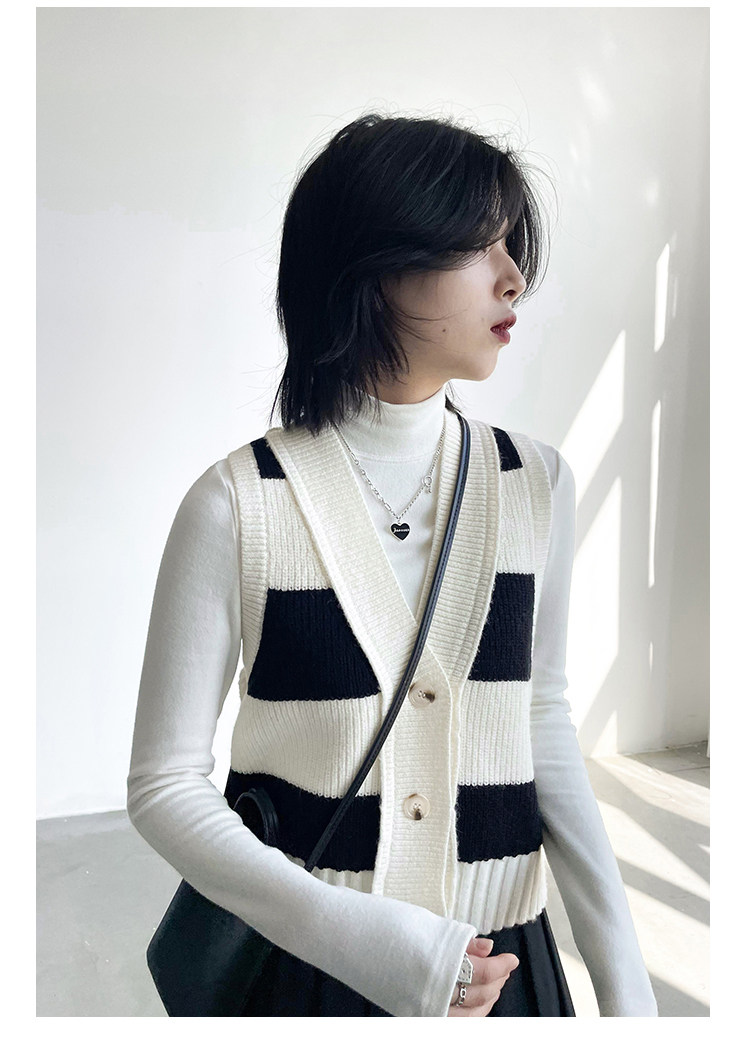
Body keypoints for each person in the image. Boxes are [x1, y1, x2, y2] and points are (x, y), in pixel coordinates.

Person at [126, 112, 658, 1017]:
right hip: (309, 968)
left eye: (513, 246)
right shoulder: (238, 503)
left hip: (504, 962)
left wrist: (625, 983)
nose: (514, 276)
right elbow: (163, 786)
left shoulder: (535, 484)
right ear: (375, 268)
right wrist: (365, 939)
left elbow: (540, 719)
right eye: (478, 246)